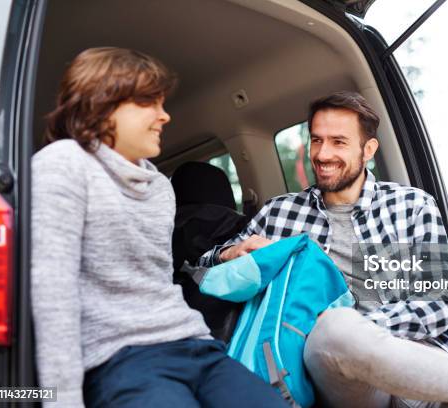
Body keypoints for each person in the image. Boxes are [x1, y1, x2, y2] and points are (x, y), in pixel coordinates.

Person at [199, 91, 448, 408]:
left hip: (418, 367)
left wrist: (367, 334)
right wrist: (225, 256)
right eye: (316, 140)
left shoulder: (412, 206)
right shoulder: (279, 213)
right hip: (338, 382)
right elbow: (204, 272)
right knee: (333, 329)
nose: (322, 154)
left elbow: (440, 301)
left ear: (368, 150)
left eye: (338, 142)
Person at [31, 47, 288, 408]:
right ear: (104, 105)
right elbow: (51, 295)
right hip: (119, 355)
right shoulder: (62, 166)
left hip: (194, 343)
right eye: (150, 103)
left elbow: (157, 282)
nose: (164, 116)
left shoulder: (158, 187)